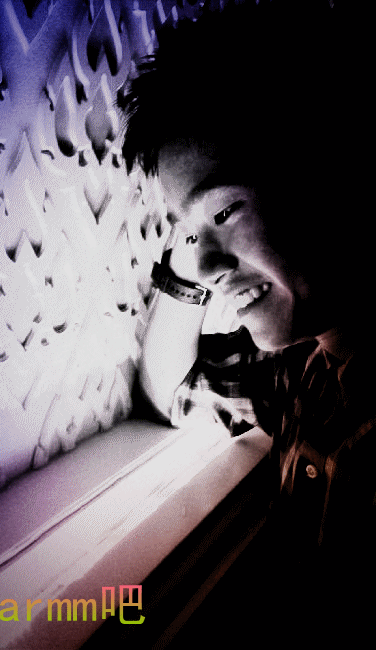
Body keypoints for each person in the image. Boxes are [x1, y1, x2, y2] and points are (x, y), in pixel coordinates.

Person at [121, 0, 374, 641]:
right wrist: (185, 258)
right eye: (188, 234)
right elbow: (170, 388)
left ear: (331, 170)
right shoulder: (306, 372)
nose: (206, 264)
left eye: (225, 212)